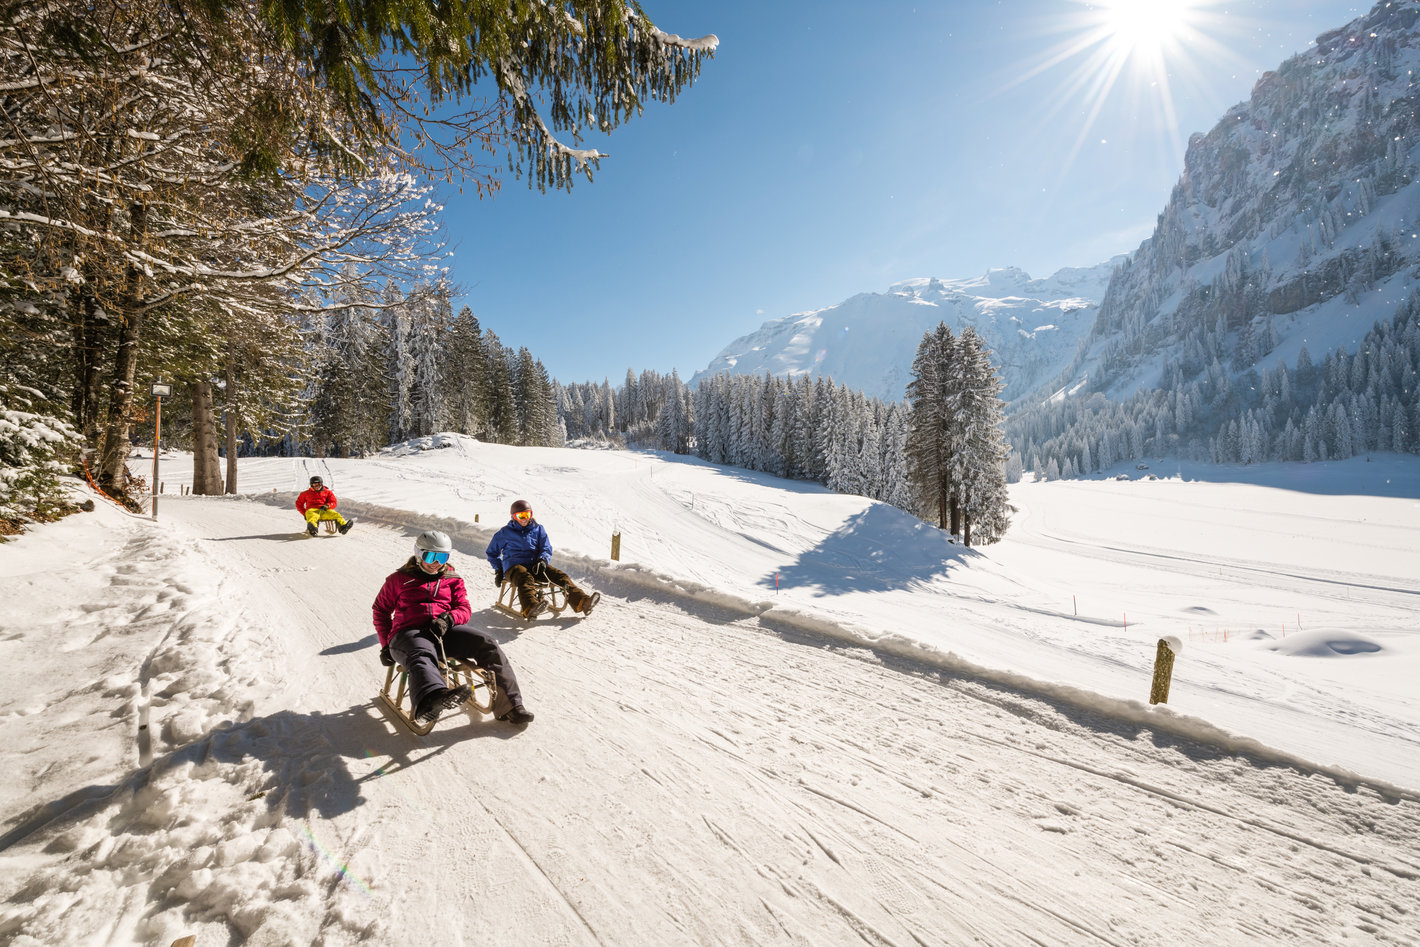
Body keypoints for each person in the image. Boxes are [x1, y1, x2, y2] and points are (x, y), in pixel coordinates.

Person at [372, 530, 534, 726]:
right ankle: (429, 702)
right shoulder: (398, 579)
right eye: (430, 556)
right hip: (408, 634)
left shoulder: (452, 578)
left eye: (442, 557)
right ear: (418, 554)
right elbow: (380, 610)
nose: (436, 562)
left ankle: (511, 705)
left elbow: (464, 608)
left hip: (443, 630)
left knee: (487, 643)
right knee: (421, 652)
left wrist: (449, 619)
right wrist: (385, 645)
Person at [485, 499, 601, 619]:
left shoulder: (538, 529)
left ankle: (583, 602)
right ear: (513, 517)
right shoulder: (505, 533)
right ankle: (531, 607)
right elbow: (492, 553)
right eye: (520, 516)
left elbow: (546, 547)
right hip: (514, 568)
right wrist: (499, 570)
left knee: (561, 576)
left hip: (535, 566)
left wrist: (543, 560)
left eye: (527, 514)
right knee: (525, 577)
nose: (524, 518)